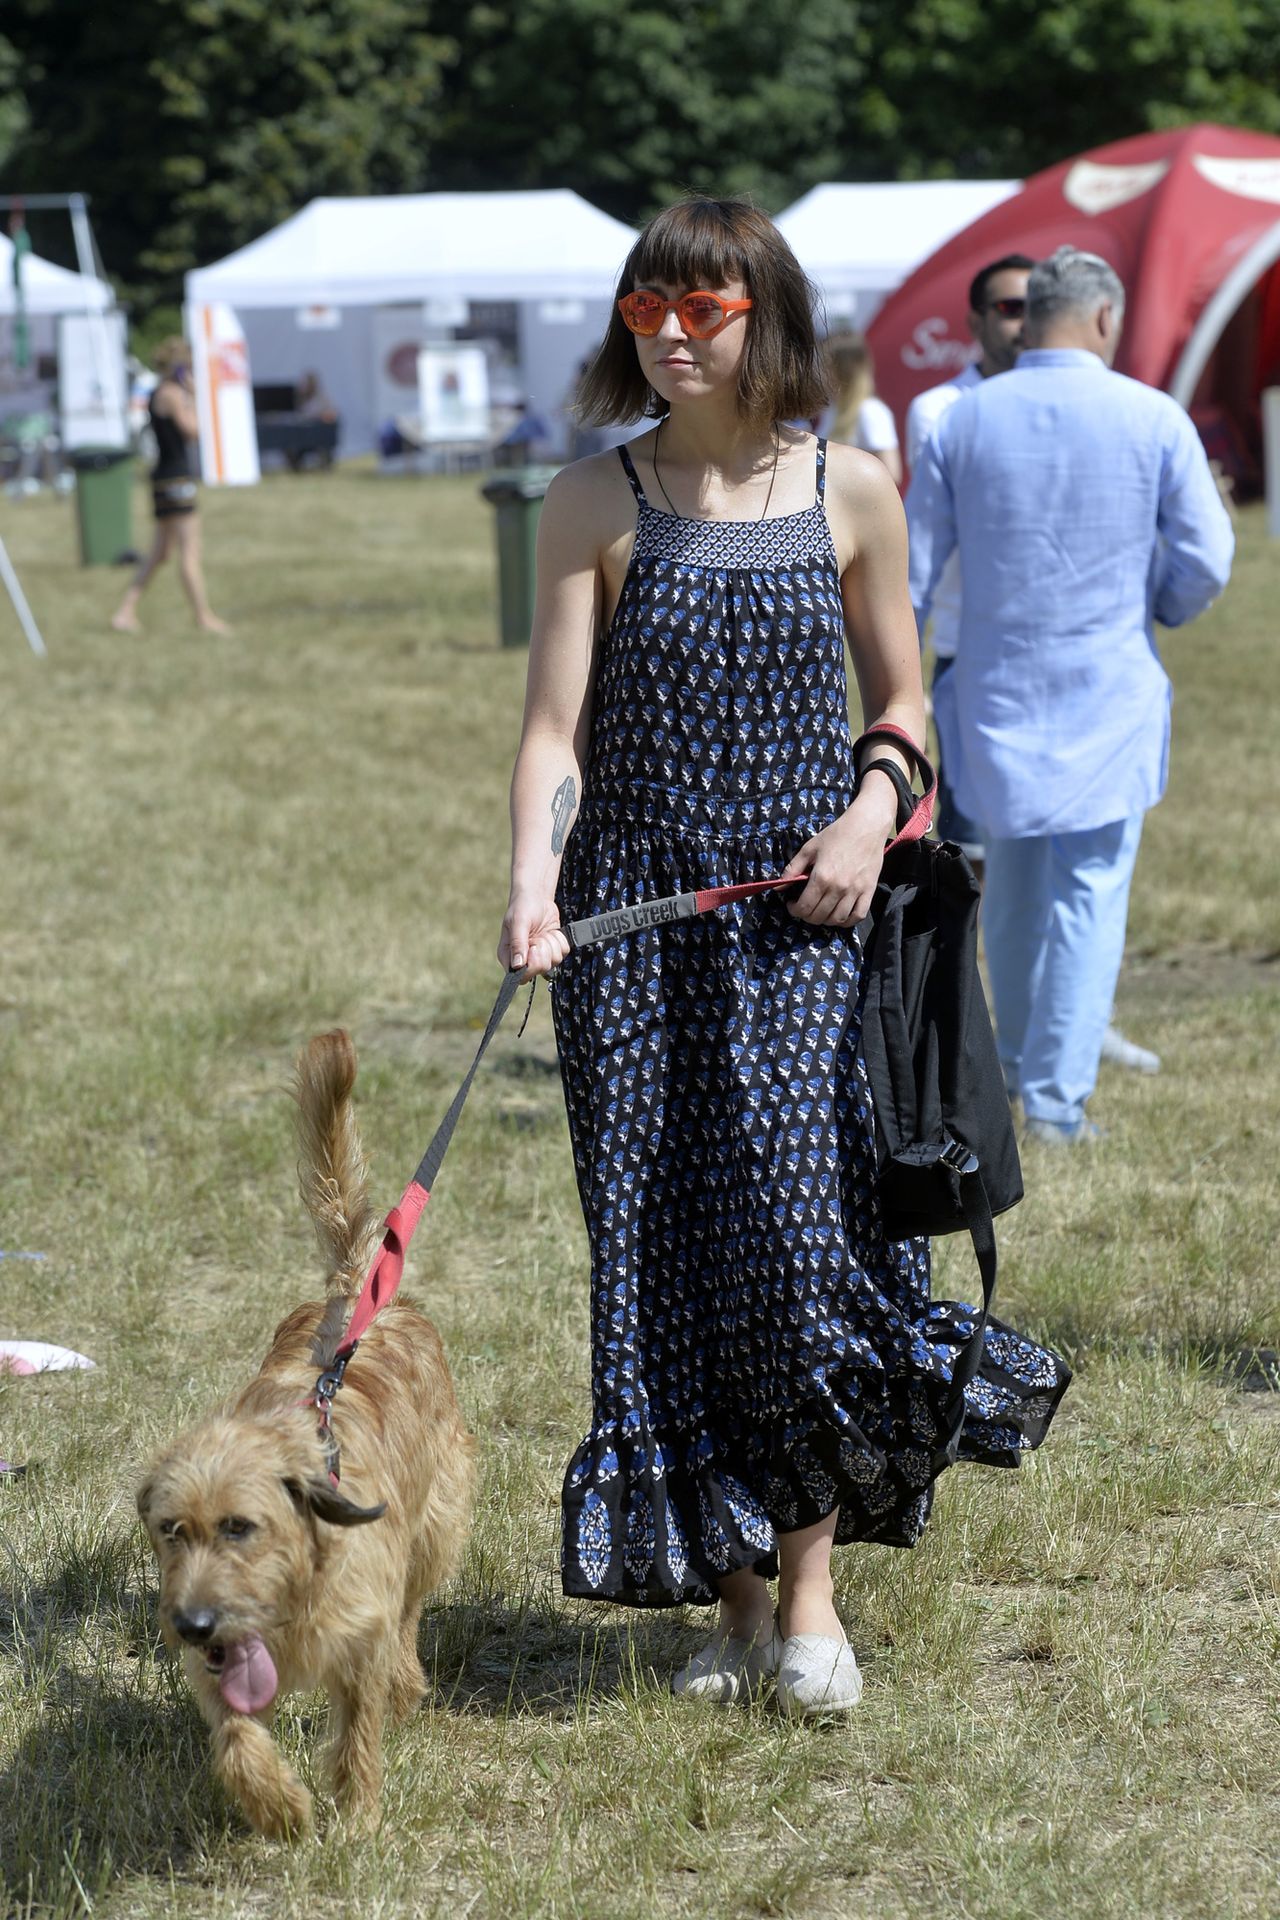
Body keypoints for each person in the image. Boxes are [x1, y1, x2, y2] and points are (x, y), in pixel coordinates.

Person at [498, 196, 1069, 1715]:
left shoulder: (854, 491)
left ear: (769, 318)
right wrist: (530, 883)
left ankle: (815, 1599)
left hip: (812, 919)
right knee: (665, 1254)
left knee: (807, 1249)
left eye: (705, 311)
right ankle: (739, 1602)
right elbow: (555, 732)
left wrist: (868, 822)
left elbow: (906, 705)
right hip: (638, 935)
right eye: (647, 314)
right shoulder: (590, 501)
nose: (673, 337)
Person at [906, 248, 1234, 1145]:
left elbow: (914, 574)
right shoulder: (1152, 414)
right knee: (1090, 889)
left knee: (1007, 880)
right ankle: (1055, 1099)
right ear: (1103, 319)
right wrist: (1158, 605)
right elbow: (1207, 557)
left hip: (992, 690)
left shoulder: (962, 422)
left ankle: (1013, 1067)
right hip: (1107, 687)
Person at [906, 254, 1033, 866]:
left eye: (1038, 308)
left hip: (1049, 644)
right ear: (976, 320)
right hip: (971, 646)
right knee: (971, 848)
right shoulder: (942, 409)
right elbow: (928, 546)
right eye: (1010, 308)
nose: (1026, 322)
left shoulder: (1057, 400)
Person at [112, 338, 229, 635]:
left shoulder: (155, 393)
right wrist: (194, 397)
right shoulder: (173, 394)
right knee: (189, 550)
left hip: (163, 476)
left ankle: (126, 611)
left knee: (161, 552)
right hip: (177, 478)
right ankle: (204, 616)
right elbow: (192, 431)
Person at [821, 331, 901, 483]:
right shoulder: (833, 410)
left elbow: (892, 474)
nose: (821, 374)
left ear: (844, 370)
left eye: (826, 366)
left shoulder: (870, 412)